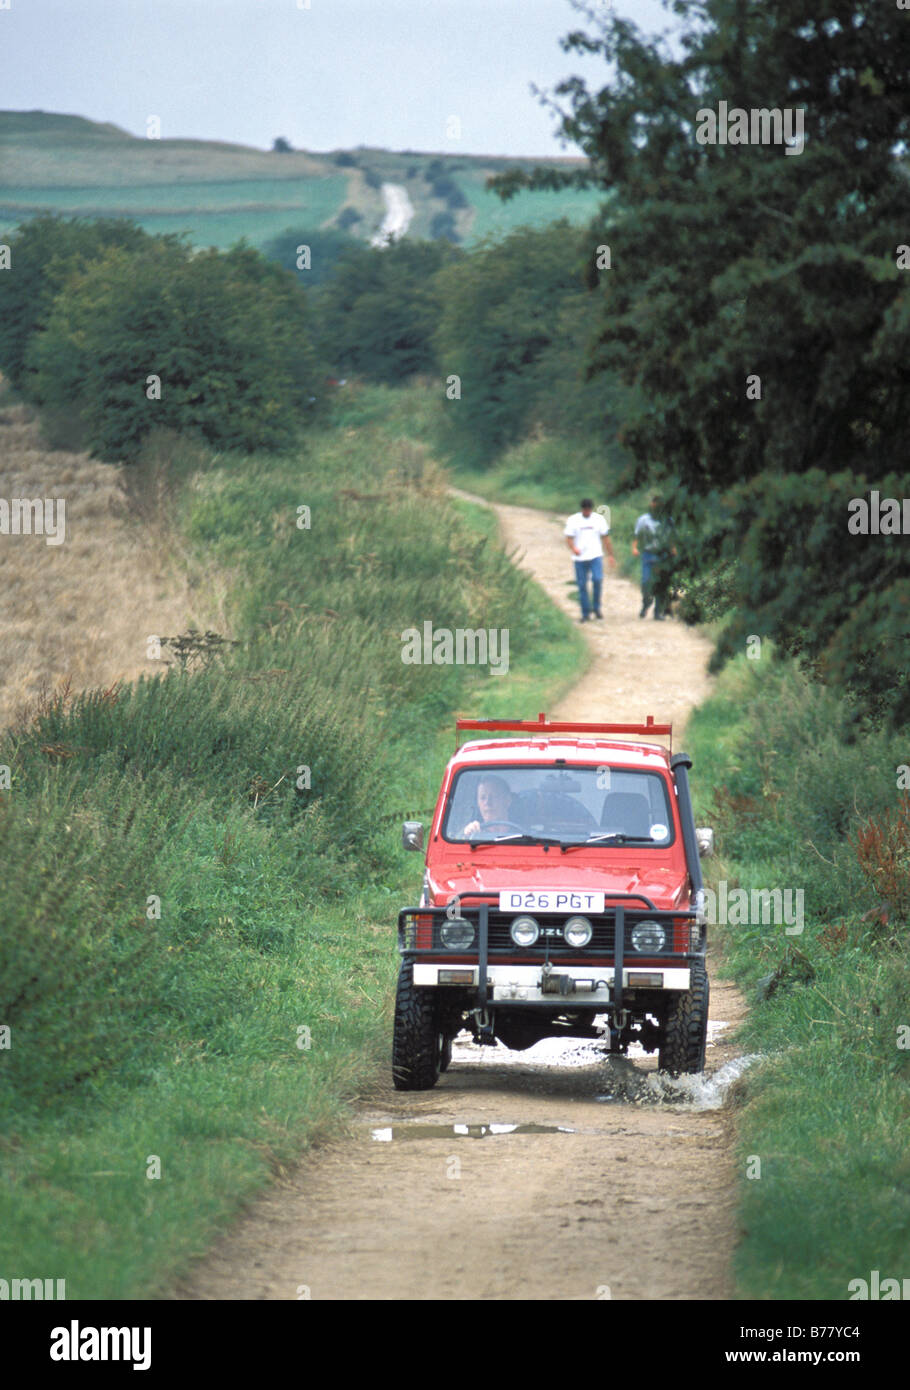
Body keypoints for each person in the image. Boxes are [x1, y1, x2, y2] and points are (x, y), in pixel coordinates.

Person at [564, 498, 616, 622]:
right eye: (585, 510)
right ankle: (585, 612)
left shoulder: (599, 519)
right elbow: (568, 537)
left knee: (597, 580)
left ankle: (597, 608)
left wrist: (610, 555)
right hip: (580, 557)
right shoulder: (573, 520)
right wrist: (573, 548)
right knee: (582, 585)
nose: (587, 512)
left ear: (591, 509)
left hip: (595, 555)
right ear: (582, 509)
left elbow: (605, 538)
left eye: (588, 510)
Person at [632, 494, 673, 620]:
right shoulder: (643, 519)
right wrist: (634, 547)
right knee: (646, 582)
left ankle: (657, 612)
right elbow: (637, 535)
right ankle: (646, 603)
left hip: (663, 555)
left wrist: (673, 549)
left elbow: (671, 537)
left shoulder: (668, 520)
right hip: (648, 554)